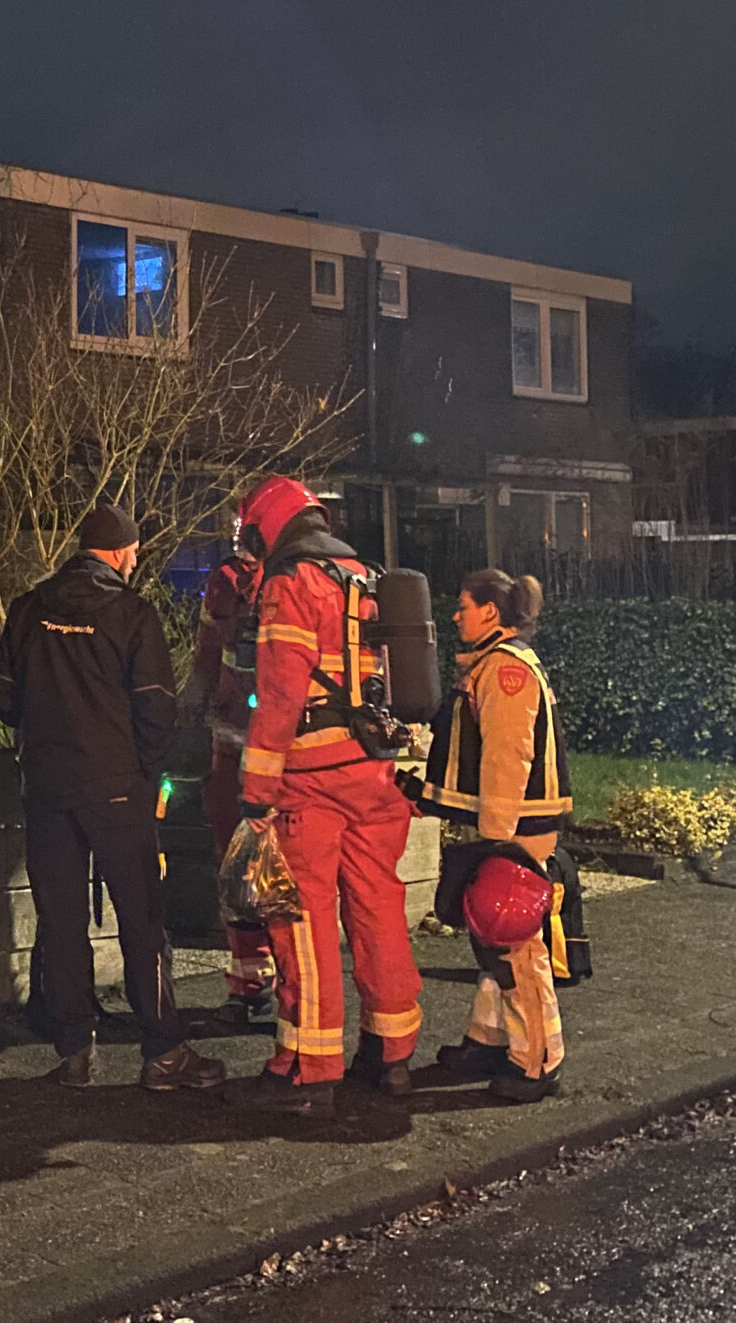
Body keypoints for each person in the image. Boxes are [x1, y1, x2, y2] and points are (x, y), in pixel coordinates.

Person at [0, 502, 226, 1092]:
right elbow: (157, 709)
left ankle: (74, 1052)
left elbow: (3, 696)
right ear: (121, 552)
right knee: (143, 921)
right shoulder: (131, 614)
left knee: (62, 921)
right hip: (118, 791)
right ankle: (163, 1052)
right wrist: (140, 773)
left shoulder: (28, 609)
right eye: (136, 551)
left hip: (46, 789)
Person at [235, 476, 423, 1117]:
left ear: (268, 527)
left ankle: (312, 1069)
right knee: (378, 911)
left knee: (302, 920)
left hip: (309, 785)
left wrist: (256, 791)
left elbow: (281, 696)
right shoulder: (363, 578)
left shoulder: (291, 584)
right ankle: (392, 1054)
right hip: (373, 774)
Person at [418, 568, 575, 1102]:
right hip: (514, 825)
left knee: (515, 948)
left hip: (516, 829)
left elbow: (508, 755)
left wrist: (495, 838)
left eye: (463, 605)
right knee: (494, 944)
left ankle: (537, 1060)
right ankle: (489, 1041)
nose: (455, 614)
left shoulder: (504, 671)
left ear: (490, 611)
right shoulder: (496, 664)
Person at [180, 509, 278, 1026]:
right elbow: (209, 654)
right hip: (237, 747)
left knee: (266, 870)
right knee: (238, 867)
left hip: (269, 753)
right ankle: (250, 979)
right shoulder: (229, 582)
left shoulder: (292, 582)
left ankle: (268, 978)